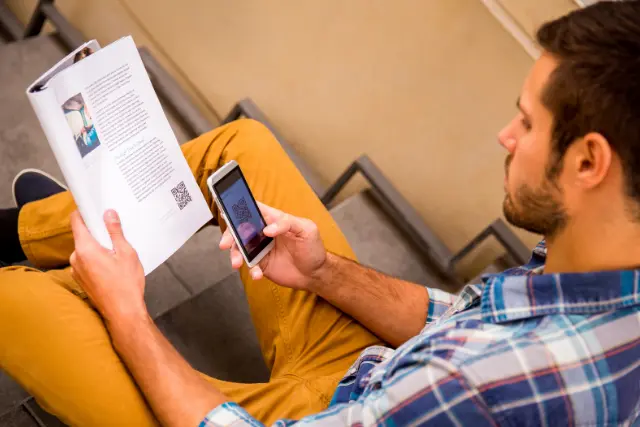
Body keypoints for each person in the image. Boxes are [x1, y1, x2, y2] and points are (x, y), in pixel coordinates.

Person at [1, 1, 639, 425]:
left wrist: (129, 316)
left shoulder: (481, 388)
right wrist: (320, 272)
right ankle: (40, 235)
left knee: (17, 305)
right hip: (377, 376)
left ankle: (61, 266)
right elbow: (462, 314)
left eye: (527, 123)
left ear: (588, 162)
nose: (505, 136)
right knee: (241, 146)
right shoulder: (599, 265)